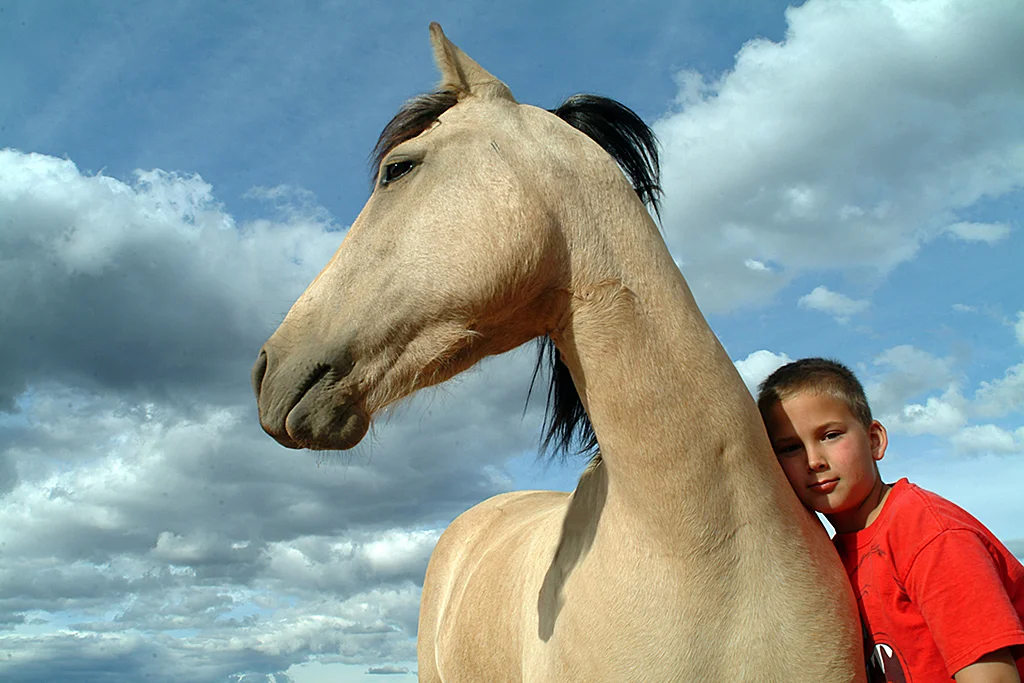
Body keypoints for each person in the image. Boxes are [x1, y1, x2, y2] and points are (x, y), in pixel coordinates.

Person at [757, 357, 1024, 683]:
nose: (814, 461)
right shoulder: (829, 557)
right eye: (790, 448)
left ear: (874, 440)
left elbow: (993, 678)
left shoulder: (930, 534)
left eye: (830, 435)